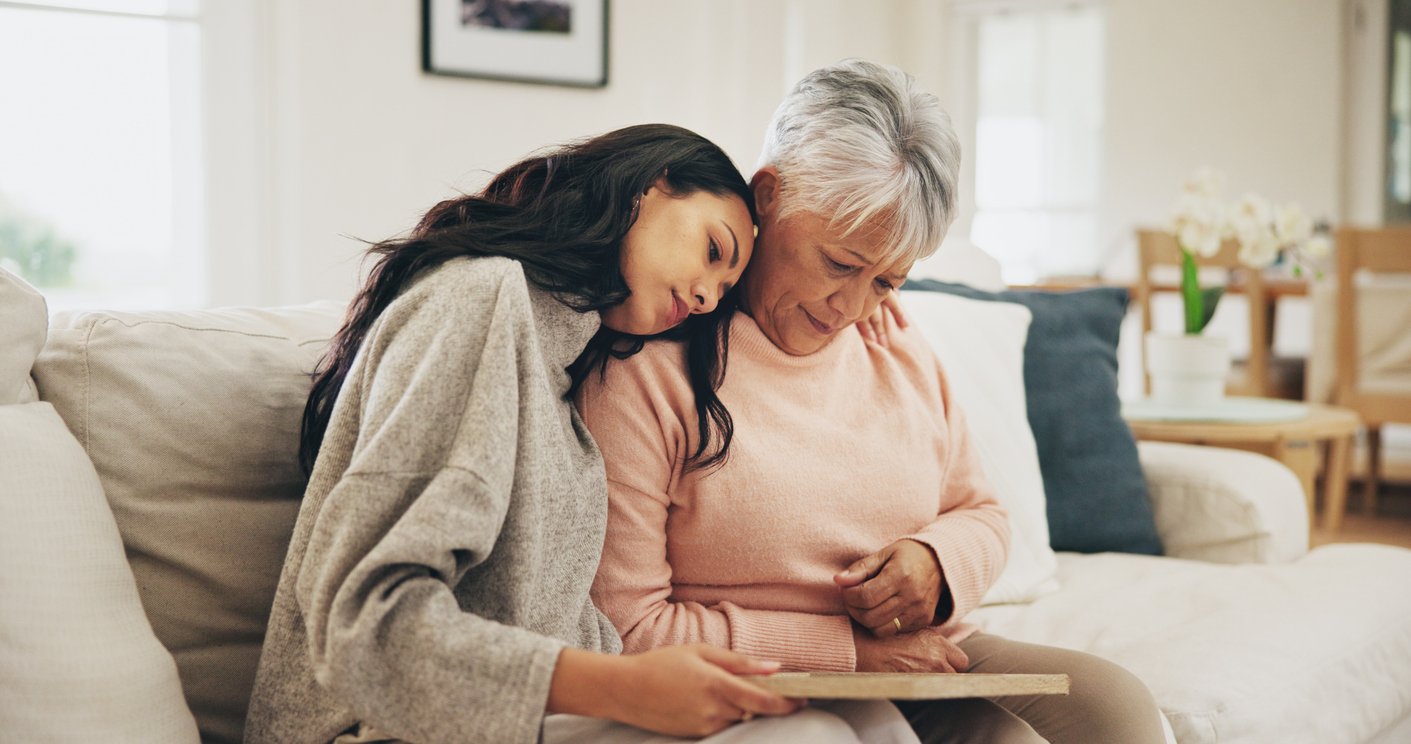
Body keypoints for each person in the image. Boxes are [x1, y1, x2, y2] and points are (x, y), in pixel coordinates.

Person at [243, 123, 908, 744]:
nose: (707, 296)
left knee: (869, 720)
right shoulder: (482, 298)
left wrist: (849, 297)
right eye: (712, 251)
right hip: (381, 729)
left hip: (532, 724)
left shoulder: (566, 365)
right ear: (649, 186)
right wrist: (621, 687)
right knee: (811, 736)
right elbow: (361, 628)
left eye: (721, 287)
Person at [577, 61, 1170, 744]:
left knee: (1112, 707)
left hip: (908, 656)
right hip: (745, 669)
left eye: (886, 280)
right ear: (767, 195)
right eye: (839, 264)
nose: (852, 308)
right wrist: (843, 651)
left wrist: (934, 562)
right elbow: (627, 627)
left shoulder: (891, 336)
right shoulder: (650, 361)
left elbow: (979, 510)